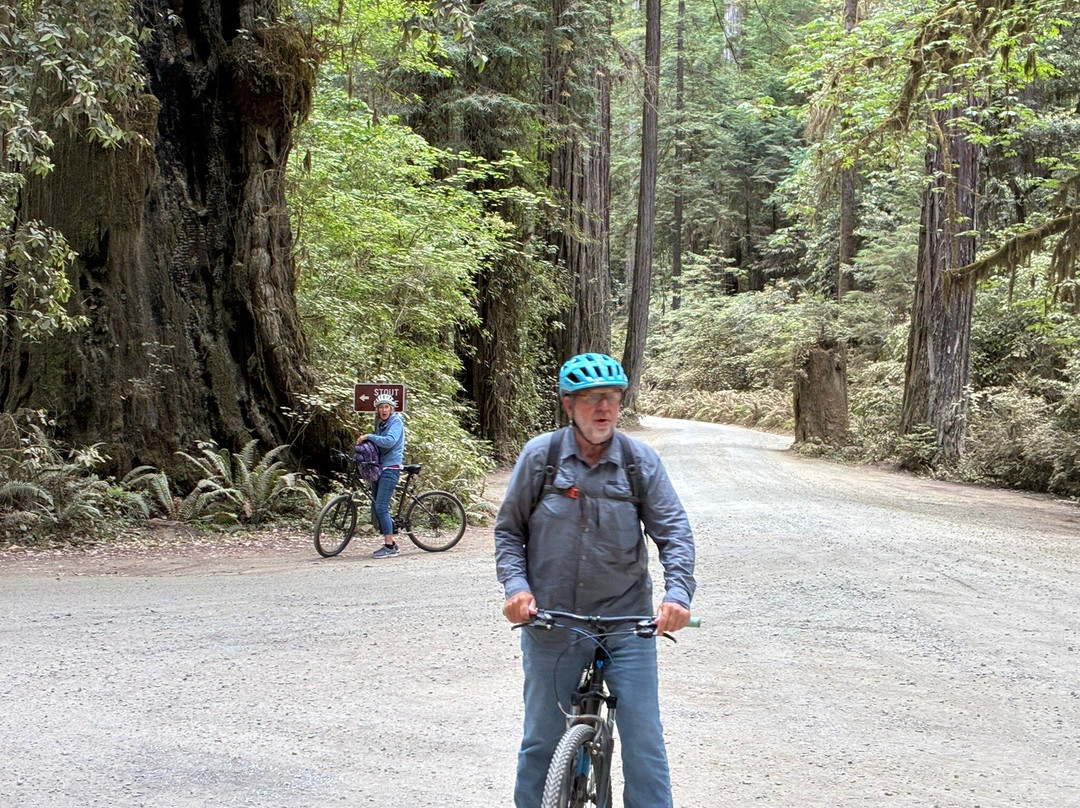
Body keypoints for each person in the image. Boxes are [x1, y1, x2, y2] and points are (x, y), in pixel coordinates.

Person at [494, 352, 696, 808]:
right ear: (568, 406)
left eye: (611, 398)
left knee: (645, 742)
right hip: (553, 623)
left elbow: (674, 532)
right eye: (589, 399)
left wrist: (677, 595)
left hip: (627, 624)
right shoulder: (541, 457)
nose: (602, 408)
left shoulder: (639, 462)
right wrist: (517, 589)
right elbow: (509, 531)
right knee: (541, 742)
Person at [357, 392, 405, 558]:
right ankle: (391, 536)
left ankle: (389, 546)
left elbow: (390, 441)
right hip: (380, 467)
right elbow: (377, 446)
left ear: (391, 409)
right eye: (380, 408)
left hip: (391, 468)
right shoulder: (382, 425)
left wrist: (369, 436)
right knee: (377, 505)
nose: (383, 410)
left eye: (386, 407)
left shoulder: (396, 422)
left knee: (381, 507)